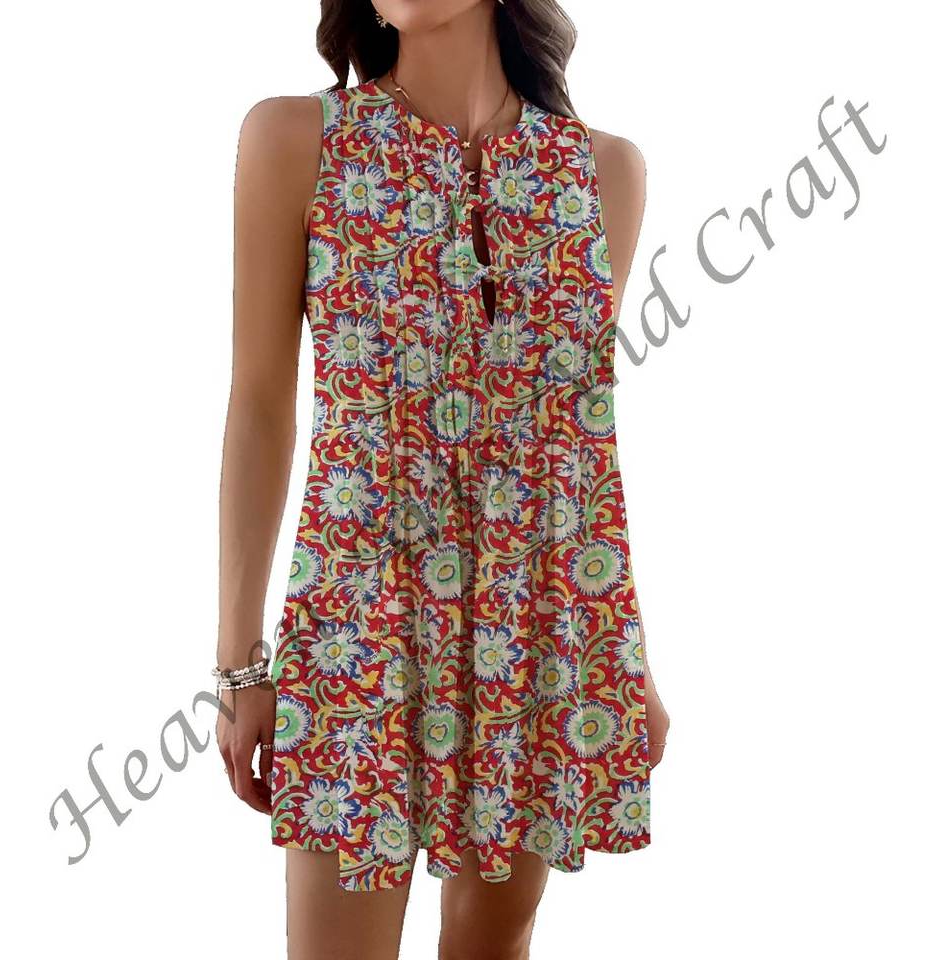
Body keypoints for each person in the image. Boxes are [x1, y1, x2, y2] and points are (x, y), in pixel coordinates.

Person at [215, 1, 670, 957]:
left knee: (494, 942)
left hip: (533, 630)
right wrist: (240, 663)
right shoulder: (298, 141)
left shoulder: (604, 174)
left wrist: (623, 659)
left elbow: (571, 453)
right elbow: (259, 403)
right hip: (358, 623)